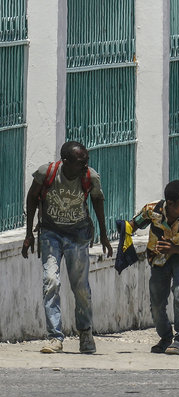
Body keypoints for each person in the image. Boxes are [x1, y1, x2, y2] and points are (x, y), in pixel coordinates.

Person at [21, 141, 113, 354]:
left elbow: (98, 202)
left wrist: (104, 235)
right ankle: (55, 337)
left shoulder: (90, 177)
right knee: (51, 281)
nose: (85, 165)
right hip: (50, 233)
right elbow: (32, 198)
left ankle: (86, 333)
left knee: (80, 288)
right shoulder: (47, 173)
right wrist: (28, 234)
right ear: (65, 161)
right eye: (81, 161)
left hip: (78, 235)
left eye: (86, 161)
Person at [127, 180, 179, 355]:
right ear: (170, 204)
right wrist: (125, 235)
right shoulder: (151, 210)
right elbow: (133, 224)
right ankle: (165, 337)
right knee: (157, 301)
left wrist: (174, 248)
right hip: (159, 258)